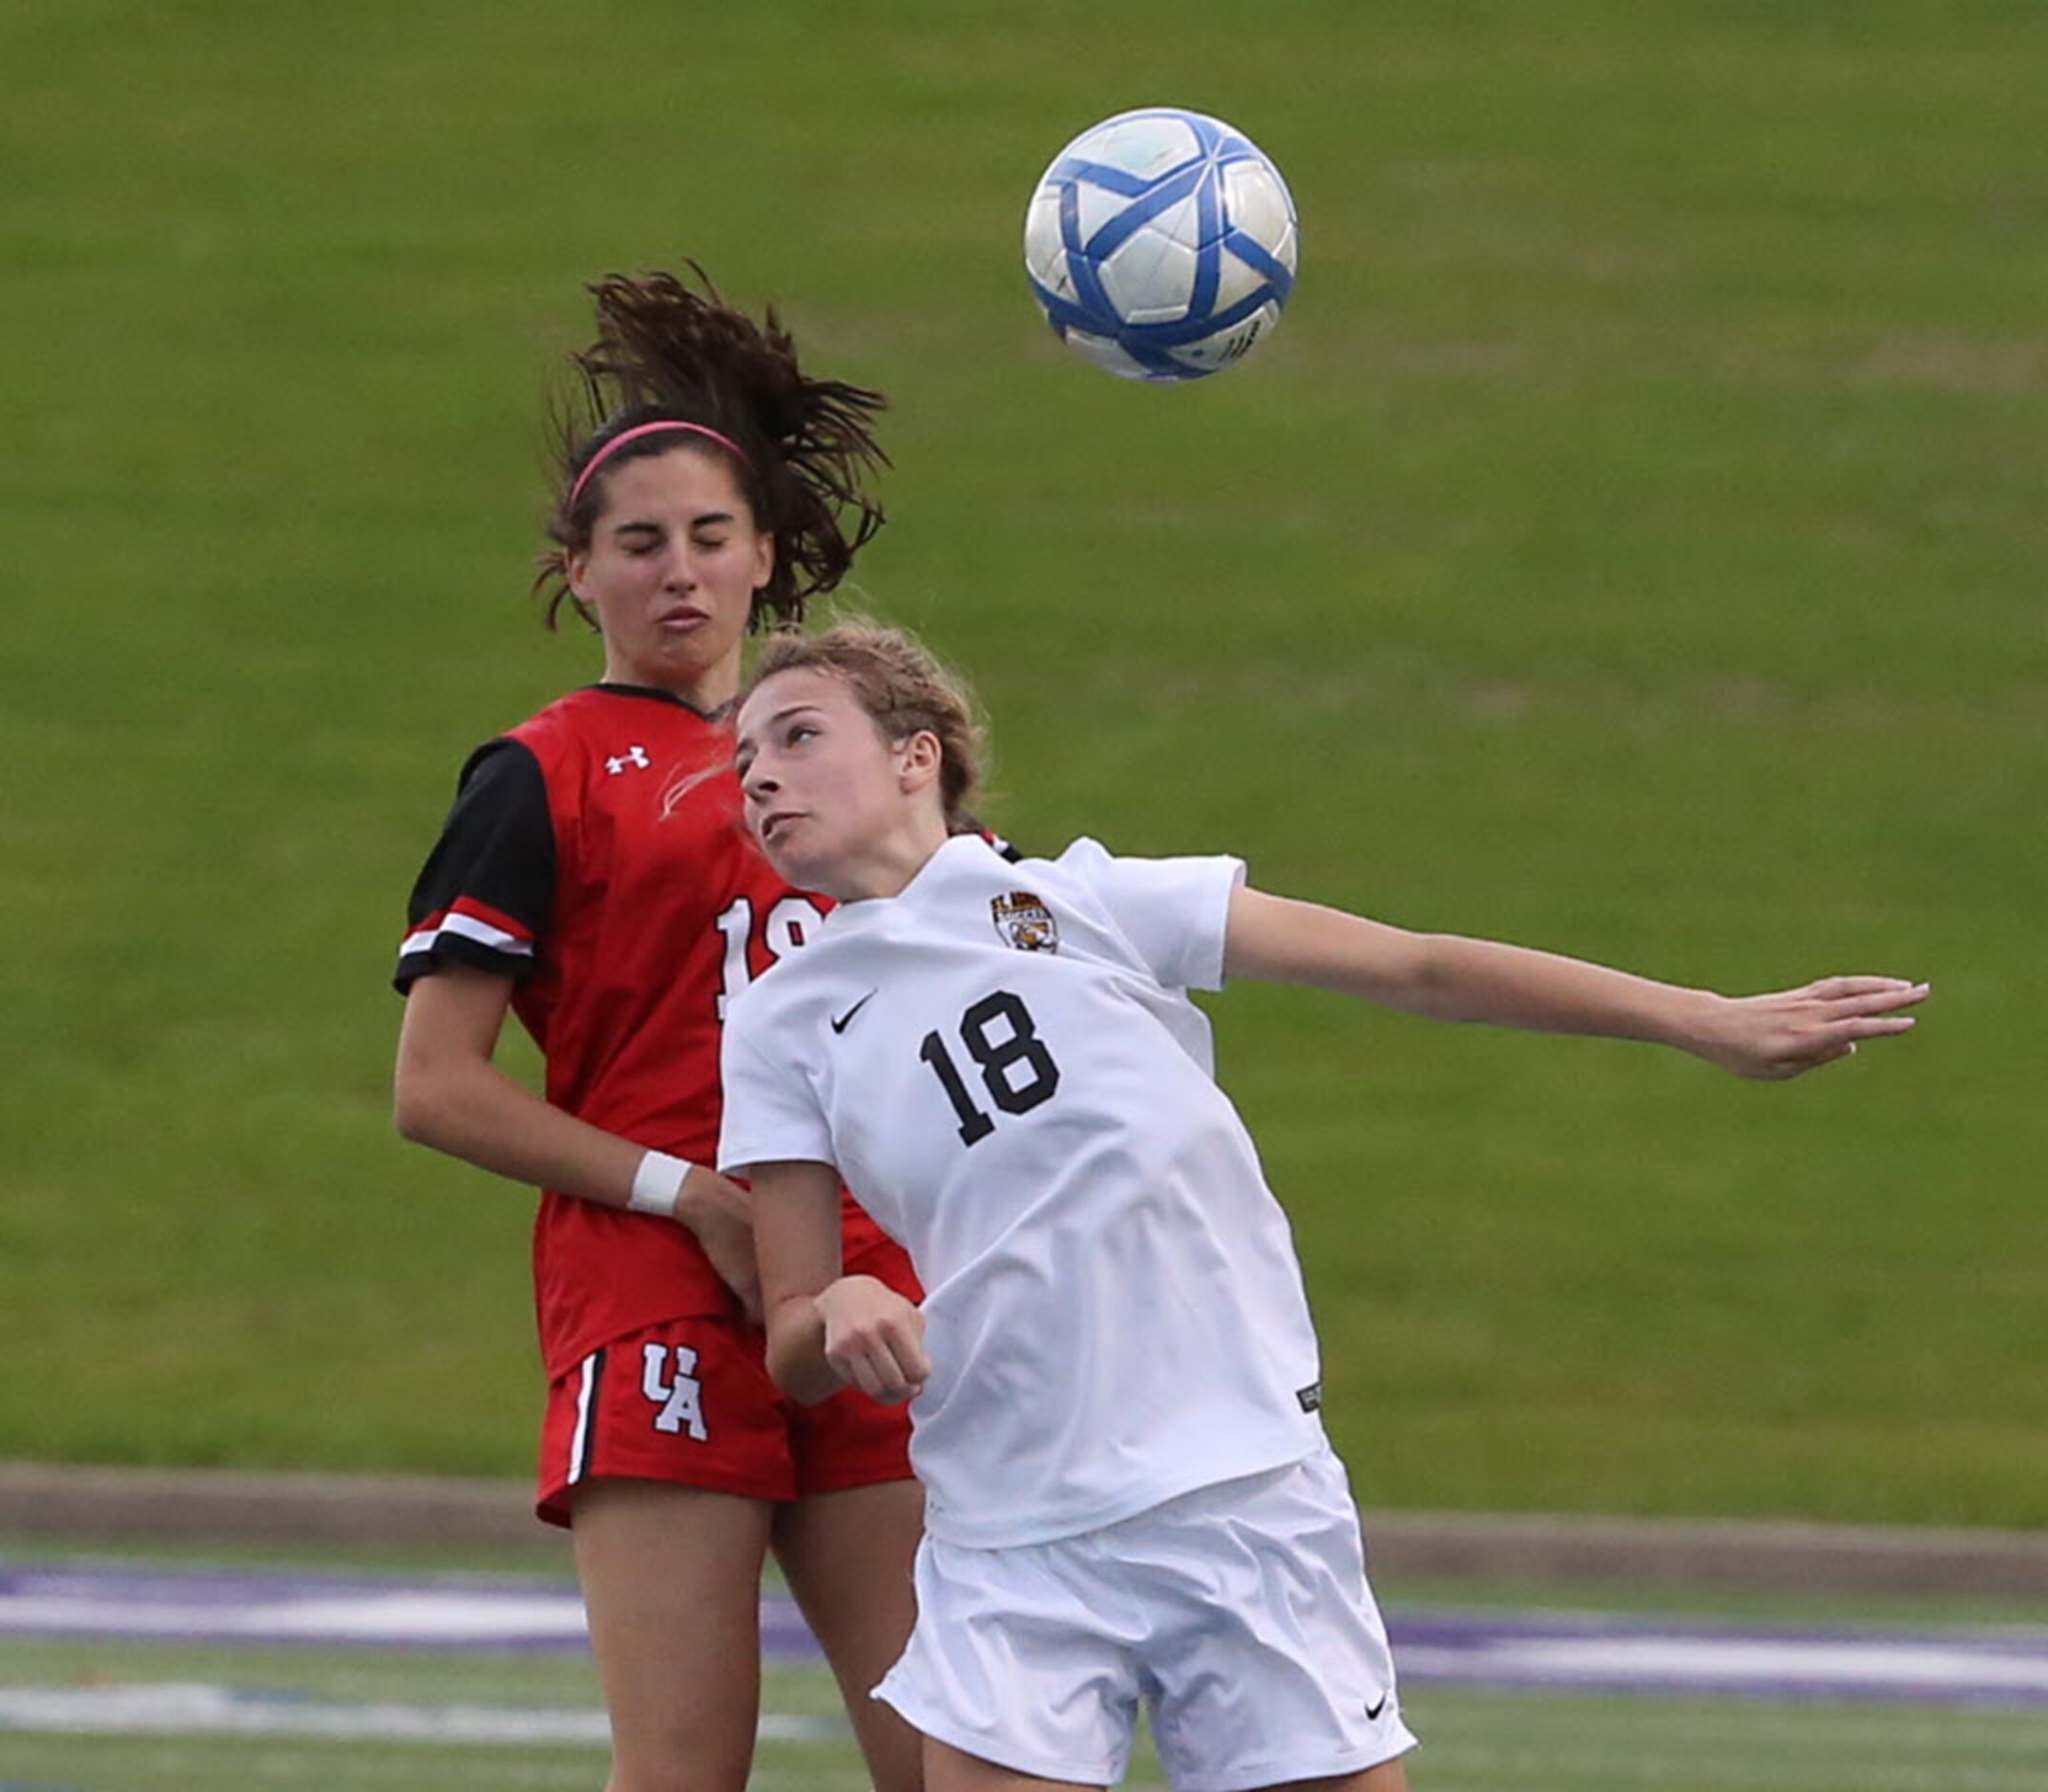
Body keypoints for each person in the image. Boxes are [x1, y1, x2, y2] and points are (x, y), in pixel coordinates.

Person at [715, 622, 1931, 1792]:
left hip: (1240, 1483)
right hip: (1011, 1527)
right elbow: (795, 1341)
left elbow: (1419, 965)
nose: (762, 776)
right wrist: (843, 1306)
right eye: (744, 761)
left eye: (798, 737)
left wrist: (1701, 1018)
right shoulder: (780, 1018)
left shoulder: (1093, 903)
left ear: (916, 755)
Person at [391, 274, 925, 1792]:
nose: (678, 573)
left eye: (709, 536)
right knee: (685, 1767)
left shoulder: (849, 755)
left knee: (966, 1760)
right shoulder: (542, 772)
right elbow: (435, 1087)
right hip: (657, 1293)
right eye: (638, 544)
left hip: (870, 1288)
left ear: (765, 552)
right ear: (579, 571)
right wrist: (688, 1194)